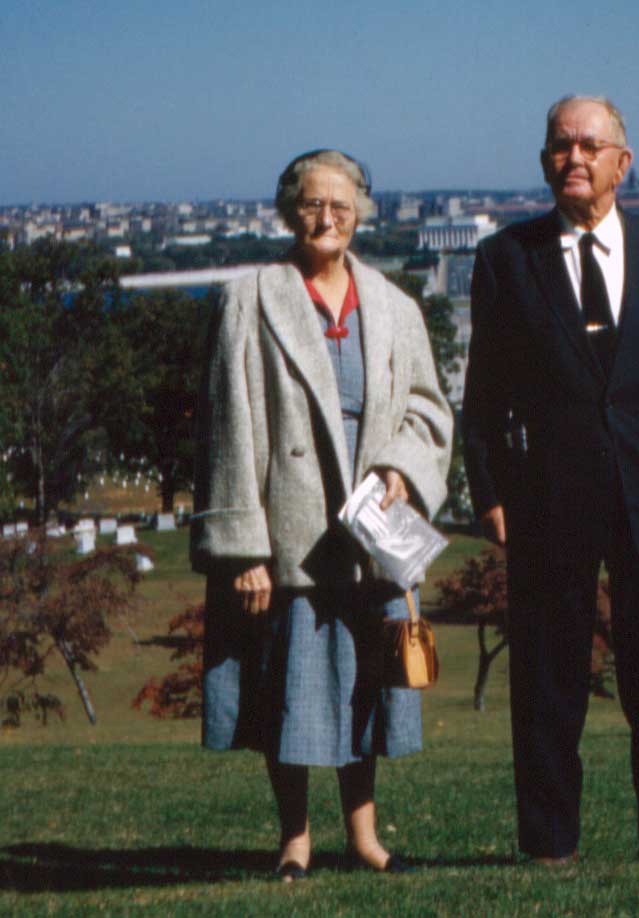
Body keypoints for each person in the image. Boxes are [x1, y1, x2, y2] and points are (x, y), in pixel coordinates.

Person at [462, 96, 639, 864]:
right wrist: (487, 490)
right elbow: (483, 394)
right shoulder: (504, 259)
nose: (572, 158)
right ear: (544, 162)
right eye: (558, 146)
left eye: (589, 145)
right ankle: (550, 847)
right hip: (547, 496)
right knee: (548, 680)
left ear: (624, 162)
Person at [191, 149, 453, 880]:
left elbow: (431, 409)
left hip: (373, 537)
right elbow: (225, 428)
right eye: (311, 204)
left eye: (340, 205)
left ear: (362, 212)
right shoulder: (249, 297)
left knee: (367, 689)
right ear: (287, 212)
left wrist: (402, 466)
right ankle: (296, 840)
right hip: (291, 532)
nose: (326, 217)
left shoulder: (396, 307)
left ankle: (365, 838)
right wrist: (244, 547)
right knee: (292, 694)